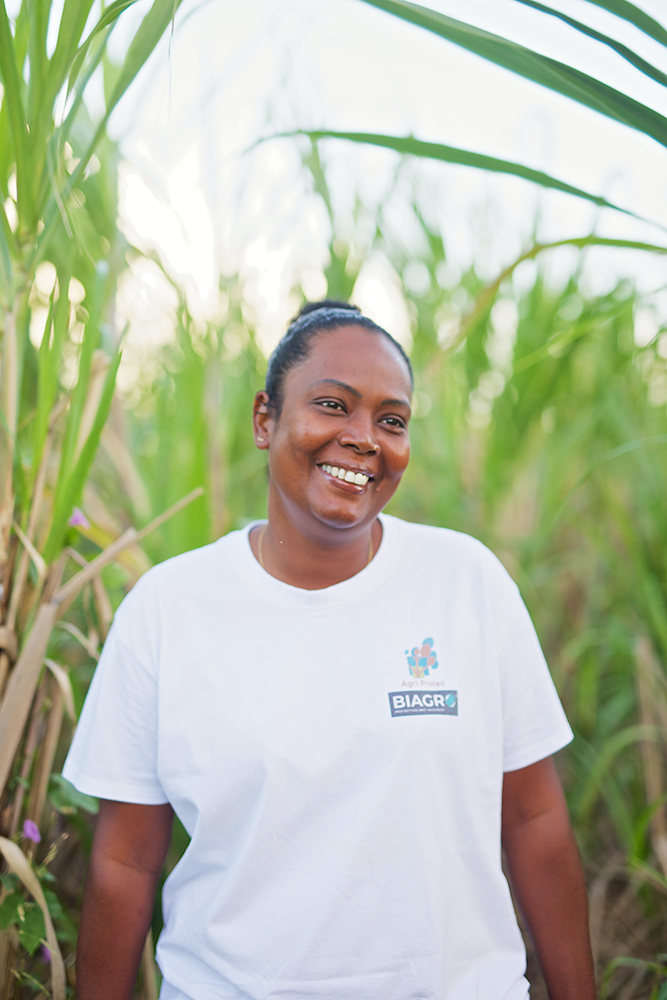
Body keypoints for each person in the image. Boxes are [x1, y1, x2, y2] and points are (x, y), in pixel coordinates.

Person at [64, 301, 596, 1000]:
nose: (363, 438)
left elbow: (533, 818)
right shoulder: (169, 611)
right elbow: (125, 863)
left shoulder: (464, 583)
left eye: (391, 419)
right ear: (265, 419)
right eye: (331, 405)